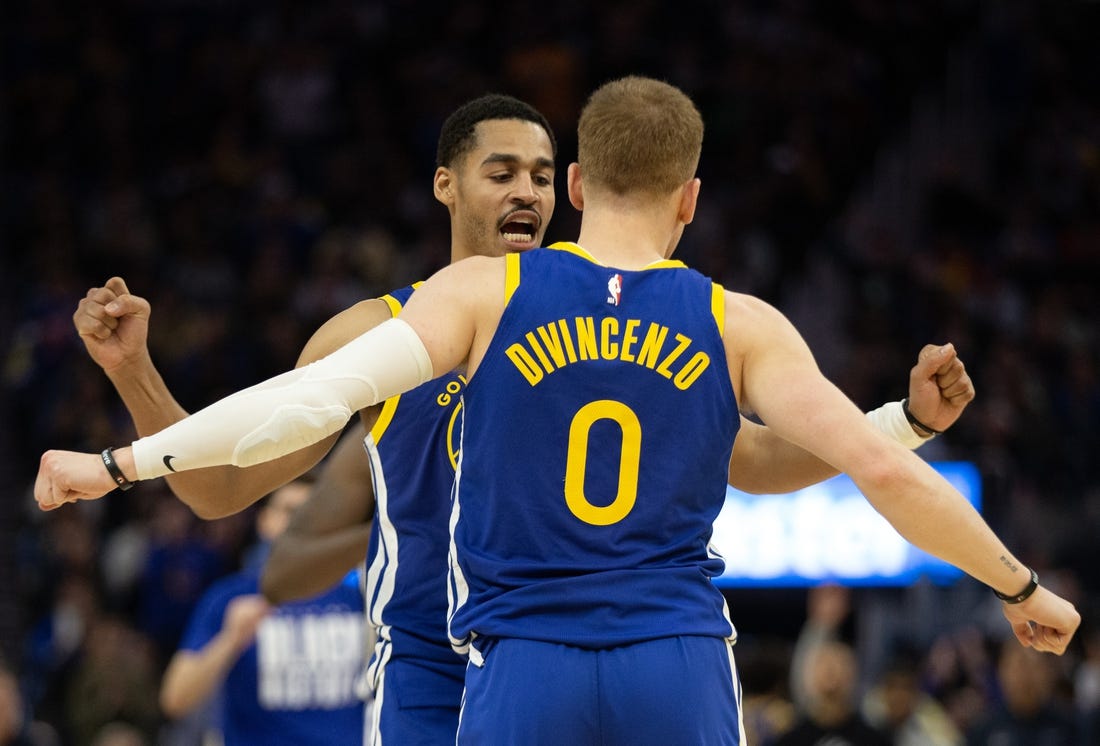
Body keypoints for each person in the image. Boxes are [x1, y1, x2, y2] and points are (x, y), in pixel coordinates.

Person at [36, 76, 1080, 744]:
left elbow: (748, 462)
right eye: (502, 172)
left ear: (574, 187)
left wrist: (899, 417)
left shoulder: (546, 312)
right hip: (433, 665)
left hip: (525, 653)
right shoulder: (397, 322)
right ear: (445, 186)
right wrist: (135, 385)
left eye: (541, 173)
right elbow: (222, 486)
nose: (526, 192)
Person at [158, 476, 367, 746]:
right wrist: (230, 641)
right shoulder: (230, 597)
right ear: (264, 521)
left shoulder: (358, 594)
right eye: (290, 511)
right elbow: (175, 699)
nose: (300, 522)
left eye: (312, 512)